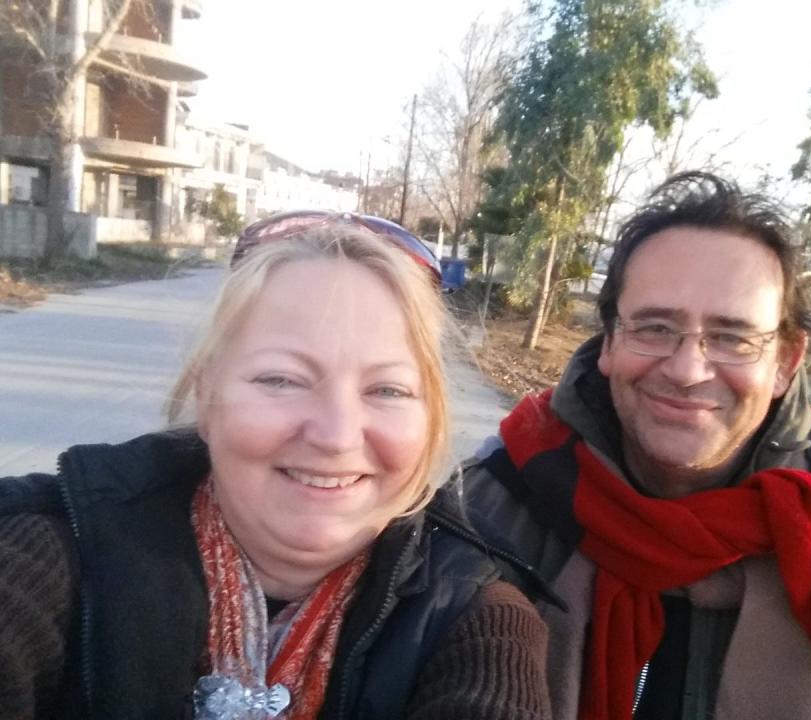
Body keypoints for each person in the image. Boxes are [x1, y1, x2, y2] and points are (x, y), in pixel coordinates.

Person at [0, 211, 552, 719]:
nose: (336, 436)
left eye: (387, 389)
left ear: (431, 418)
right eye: (281, 380)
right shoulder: (52, 556)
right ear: (207, 395)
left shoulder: (478, 621)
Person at [462, 172, 811, 720]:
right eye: (653, 327)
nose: (688, 370)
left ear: (786, 363)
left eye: (733, 337)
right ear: (608, 342)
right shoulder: (488, 506)